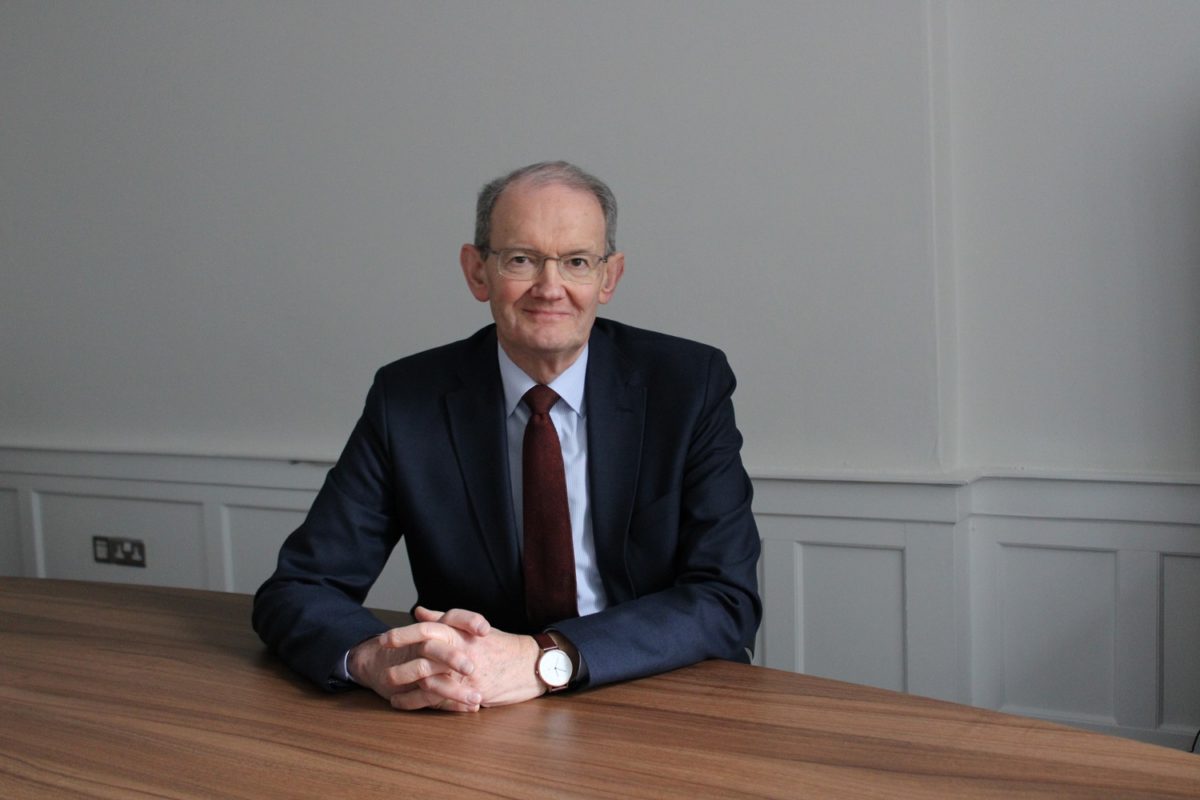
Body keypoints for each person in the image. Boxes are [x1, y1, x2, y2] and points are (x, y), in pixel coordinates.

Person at [252, 161, 761, 712]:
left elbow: (724, 598)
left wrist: (544, 659)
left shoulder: (687, 385)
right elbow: (299, 588)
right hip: (477, 705)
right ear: (477, 271)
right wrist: (375, 657)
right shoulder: (407, 399)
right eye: (521, 259)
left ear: (608, 277)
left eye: (576, 262)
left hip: (658, 691)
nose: (550, 287)